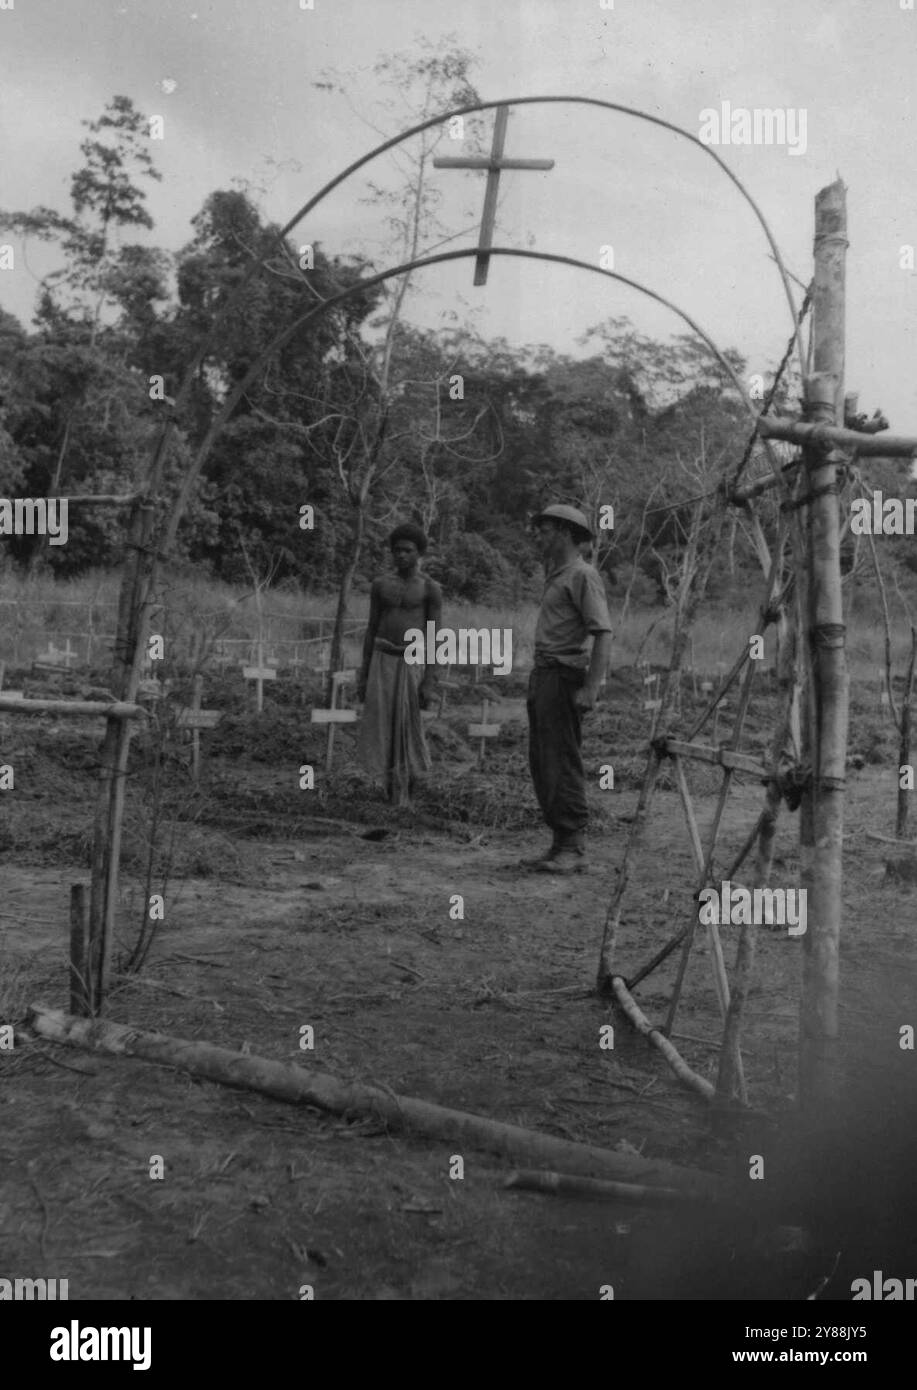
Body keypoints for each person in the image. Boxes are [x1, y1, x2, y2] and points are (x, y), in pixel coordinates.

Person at [521, 504, 613, 874]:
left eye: (544, 530)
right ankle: (560, 842)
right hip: (545, 675)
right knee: (544, 762)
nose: (539, 536)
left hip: (563, 676)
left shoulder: (583, 575)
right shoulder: (557, 574)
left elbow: (603, 632)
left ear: (563, 532)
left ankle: (573, 847)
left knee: (562, 759)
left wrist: (592, 688)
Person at [356, 523, 442, 806]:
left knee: (407, 726)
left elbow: (435, 635)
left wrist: (429, 681)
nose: (401, 555)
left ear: (419, 553)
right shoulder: (381, 585)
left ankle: (407, 790)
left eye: (408, 551)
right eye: (397, 551)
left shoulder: (430, 589)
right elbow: (371, 628)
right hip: (382, 660)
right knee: (381, 725)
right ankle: (384, 788)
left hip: (412, 662)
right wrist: (363, 673)